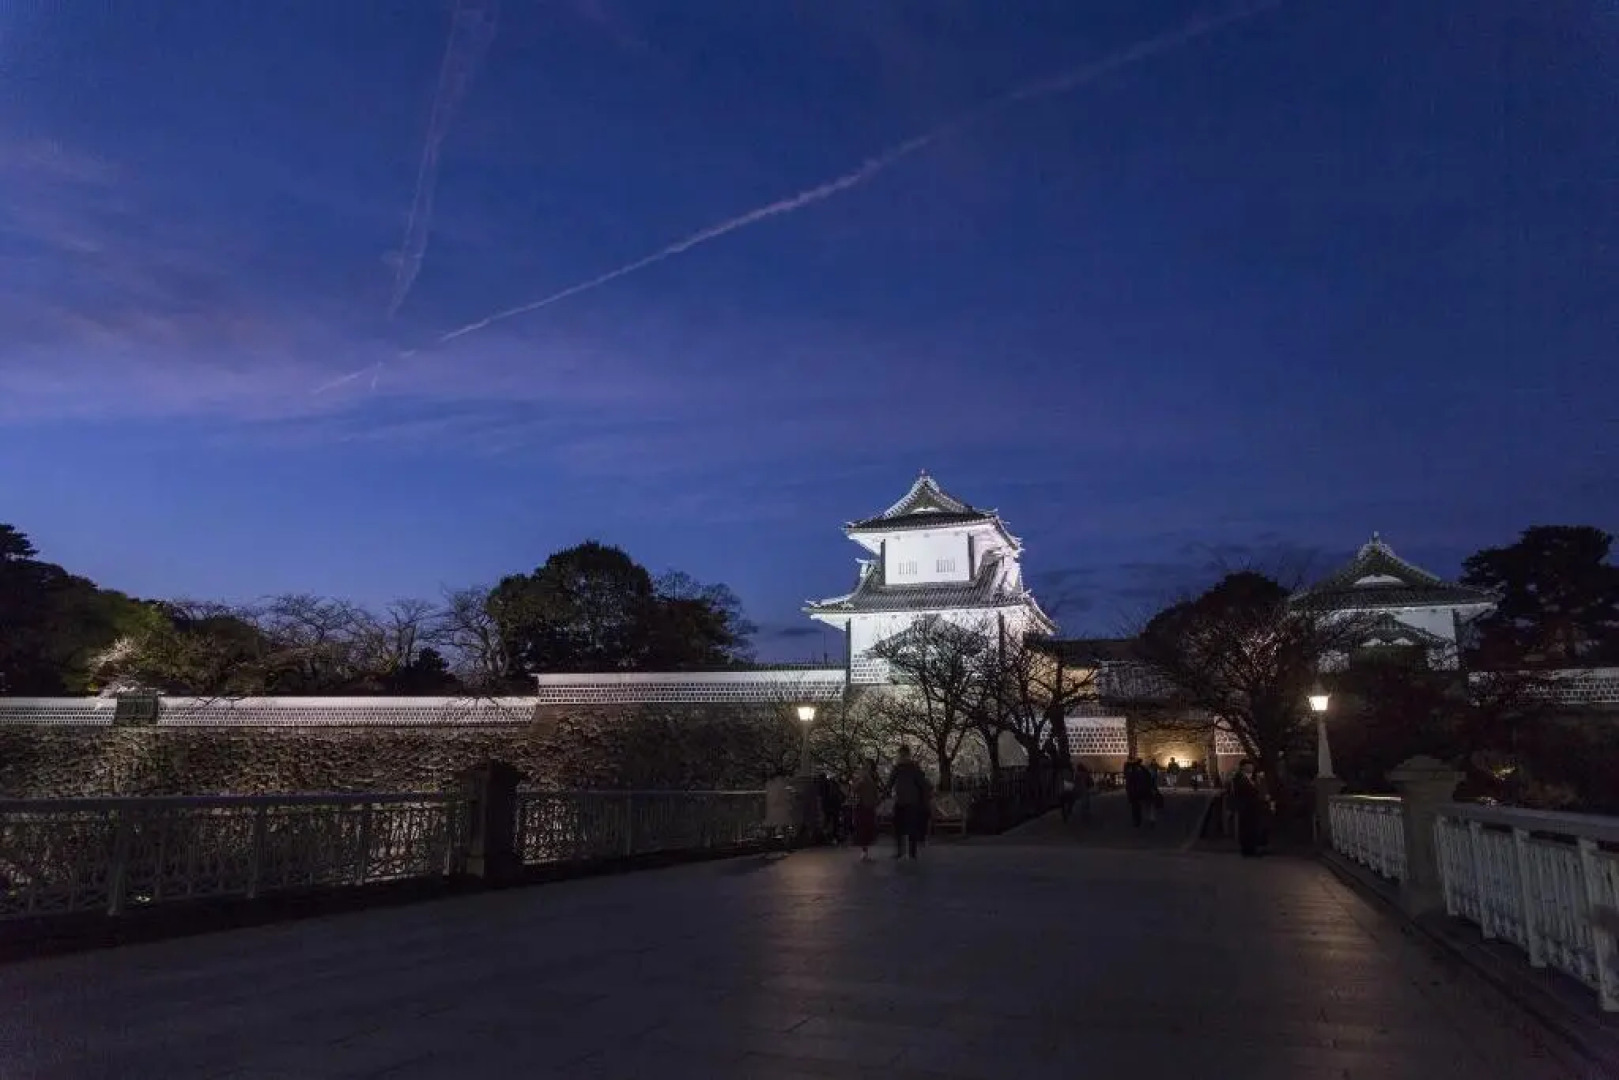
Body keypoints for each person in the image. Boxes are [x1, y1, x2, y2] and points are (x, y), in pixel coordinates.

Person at [886, 747, 932, 860]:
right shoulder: (897, 768)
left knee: (911, 828)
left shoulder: (914, 768)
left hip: (912, 802)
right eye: (900, 755)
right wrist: (886, 792)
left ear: (907, 755)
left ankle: (912, 852)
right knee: (899, 828)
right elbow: (890, 783)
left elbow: (923, 784)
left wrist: (924, 800)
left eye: (904, 755)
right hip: (900, 801)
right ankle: (900, 851)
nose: (902, 757)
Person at [1231, 759, 1267, 857]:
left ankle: (1252, 848)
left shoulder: (1253, 778)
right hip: (1245, 807)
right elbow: (1241, 791)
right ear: (1243, 767)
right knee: (1246, 828)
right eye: (1248, 766)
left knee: (1253, 828)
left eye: (1251, 766)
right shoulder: (1239, 778)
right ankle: (1247, 849)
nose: (1251, 768)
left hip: (1254, 807)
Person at [851, 759, 881, 861]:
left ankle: (865, 850)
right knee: (862, 827)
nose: (866, 766)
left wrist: (876, 801)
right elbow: (854, 788)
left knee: (868, 828)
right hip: (862, 804)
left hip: (869, 805)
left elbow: (875, 791)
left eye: (868, 765)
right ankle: (864, 850)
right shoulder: (861, 776)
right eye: (865, 765)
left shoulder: (873, 777)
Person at [1123, 757, 1157, 828]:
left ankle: (1138, 820)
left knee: (1136, 807)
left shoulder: (1132, 771)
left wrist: (1129, 793)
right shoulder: (1143, 770)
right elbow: (1149, 779)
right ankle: (1150, 819)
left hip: (1136, 791)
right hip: (1143, 790)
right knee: (1147, 805)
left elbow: (1129, 783)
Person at [818, 773, 846, 844]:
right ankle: (834, 836)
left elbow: (821, 796)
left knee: (827, 821)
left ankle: (827, 835)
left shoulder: (822, 785)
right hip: (835, 805)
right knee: (835, 821)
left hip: (827, 806)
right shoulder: (834, 784)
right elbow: (842, 794)